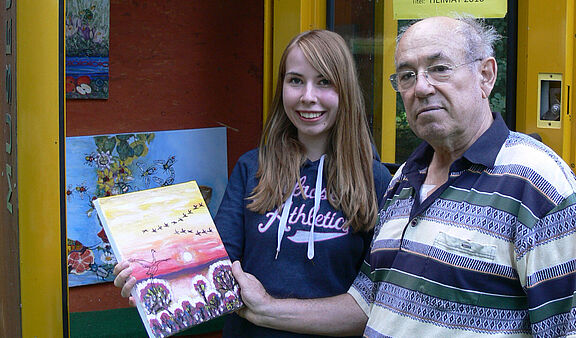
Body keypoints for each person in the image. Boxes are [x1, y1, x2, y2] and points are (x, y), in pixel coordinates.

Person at [231, 16, 576, 337]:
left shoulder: (537, 183)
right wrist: (266, 310)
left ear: (485, 75)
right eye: (407, 75)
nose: (421, 87)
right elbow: (365, 303)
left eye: (439, 68)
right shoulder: (403, 182)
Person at [113, 29, 392, 337]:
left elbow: (377, 301)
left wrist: (270, 309)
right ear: (282, 87)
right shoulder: (252, 168)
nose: (307, 96)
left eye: (324, 81)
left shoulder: (376, 180)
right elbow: (215, 263)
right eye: (295, 80)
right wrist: (153, 276)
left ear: (346, 91)